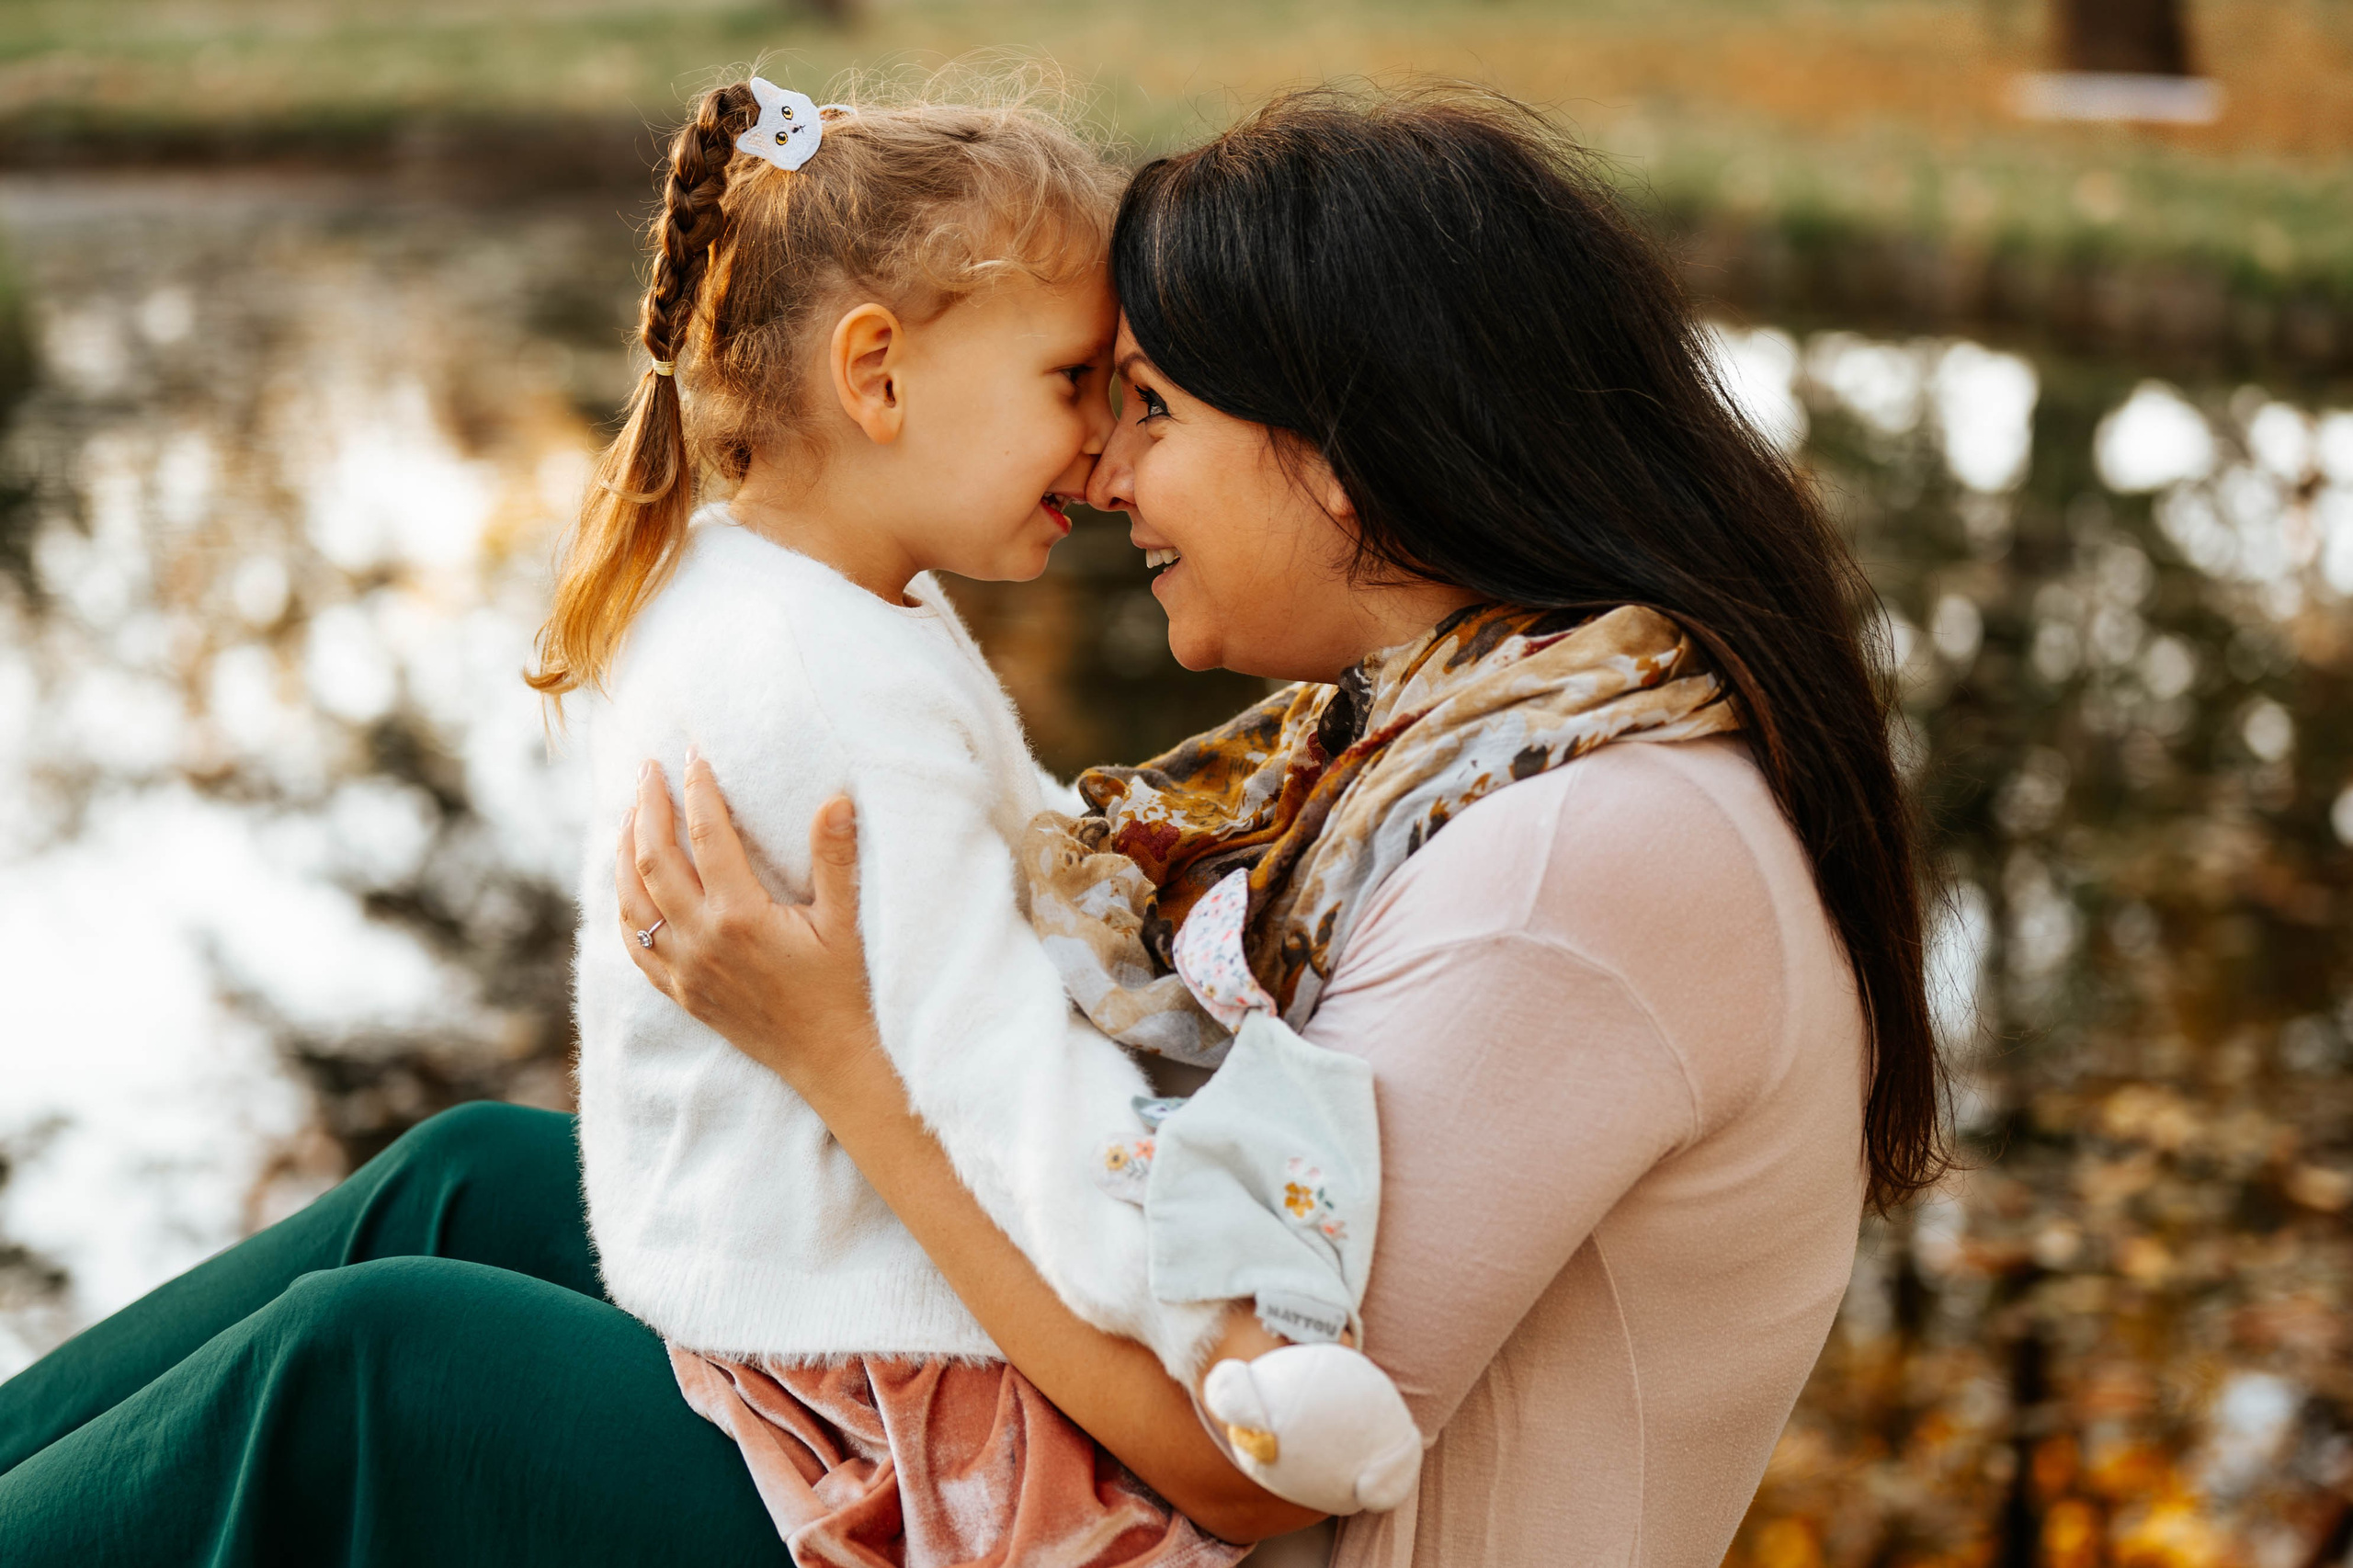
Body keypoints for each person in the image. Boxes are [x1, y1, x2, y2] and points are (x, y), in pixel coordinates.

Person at [0, 84, 1943, 1568]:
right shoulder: (1457, 737)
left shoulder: (1571, 859)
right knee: (461, 1186)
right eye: (1096, 400)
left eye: (1154, 407)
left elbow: (1229, 1469)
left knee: (376, 1380)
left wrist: (848, 1072)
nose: (1107, 470)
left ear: (1347, 458)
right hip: (1133, 1440)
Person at [533, 71, 1418, 1541]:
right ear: (876, 375)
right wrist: (1216, 1334)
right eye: (1074, 382)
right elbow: (993, 1072)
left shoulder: (779, 587)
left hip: (754, 1253)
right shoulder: (828, 691)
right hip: (863, 1359)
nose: (1104, 447)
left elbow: (1003, 851)